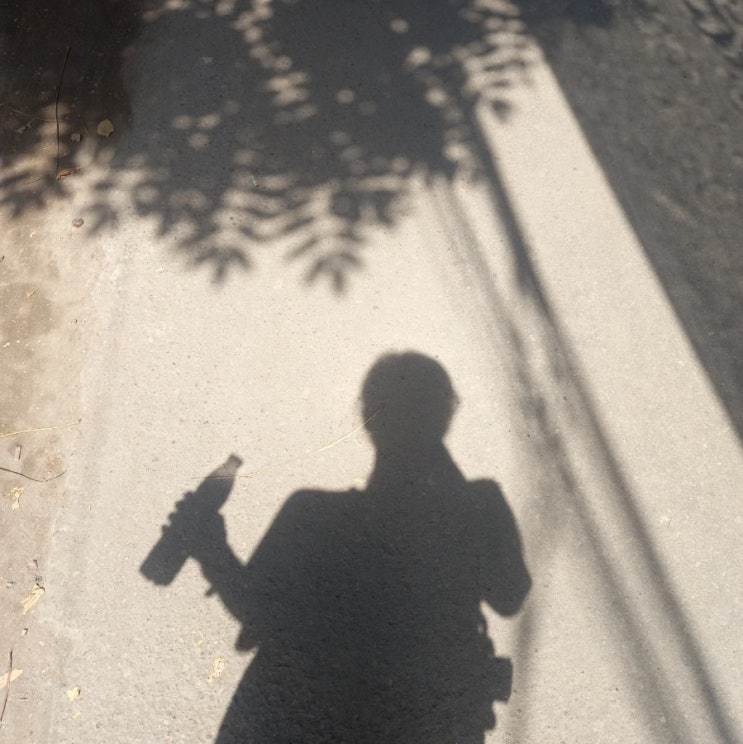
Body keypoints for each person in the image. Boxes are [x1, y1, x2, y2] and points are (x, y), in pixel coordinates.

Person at [190, 352, 531, 743]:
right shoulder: (477, 507)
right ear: (446, 416)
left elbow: (256, 611)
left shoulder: (313, 515)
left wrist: (210, 546)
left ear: (368, 419)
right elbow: (511, 594)